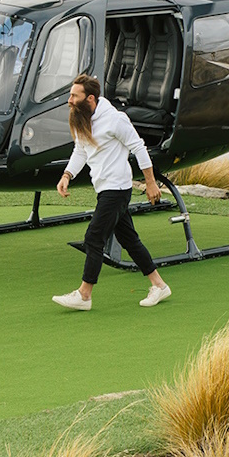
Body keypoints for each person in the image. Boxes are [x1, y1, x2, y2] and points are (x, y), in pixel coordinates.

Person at [52, 73, 172, 311]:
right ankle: (159, 285)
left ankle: (84, 295)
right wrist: (67, 175)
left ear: (91, 99)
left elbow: (138, 147)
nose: (69, 100)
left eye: (74, 96)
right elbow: (81, 150)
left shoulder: (115, 120)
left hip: (117, 189)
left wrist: (150, 183)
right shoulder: (82, 119)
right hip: (105, 188)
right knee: (129, 239)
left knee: (94, 238)